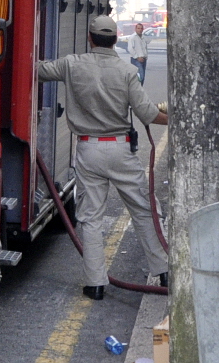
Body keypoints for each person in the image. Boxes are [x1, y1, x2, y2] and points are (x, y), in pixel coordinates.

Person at [37, 15, 168, 300]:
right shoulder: (126, 71)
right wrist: (177, 119)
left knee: (91, 217)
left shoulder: (72, 64)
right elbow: (147, 114)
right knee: (144, 209)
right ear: (115, 38)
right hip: (121, 149)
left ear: (90, 38)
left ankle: (95, 284)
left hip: (88, 149)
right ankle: (164, 270)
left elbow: (39, 71)